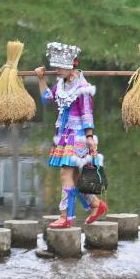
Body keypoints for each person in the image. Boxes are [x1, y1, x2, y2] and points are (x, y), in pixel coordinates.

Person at [34, 43, 107, 228]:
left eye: (60, 67)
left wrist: (89, 136)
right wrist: (41, 79)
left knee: (65, 173)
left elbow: (87, 113)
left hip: (79, 136)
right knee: (73, 177)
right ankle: (95, 204)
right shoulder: (61, 84)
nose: (57, 70)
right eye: (56, 67)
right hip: (64, 135)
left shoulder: (82, 87)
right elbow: (47, 99)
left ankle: (65, 216)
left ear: (71, 66)